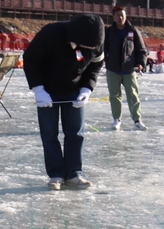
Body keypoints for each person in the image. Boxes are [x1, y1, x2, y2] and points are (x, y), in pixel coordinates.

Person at [23, 14, 105, 190]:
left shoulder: (96, 42)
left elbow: (95, 66)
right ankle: (56, 174)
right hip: (47, 90)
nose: (92, 49)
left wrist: (87, 89)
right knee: (49, 133)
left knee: (76, 132)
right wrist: (38, 89)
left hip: (74, 90)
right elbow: (30, 60)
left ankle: (74, 173)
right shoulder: (50, 34)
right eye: (89, 46)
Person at [104, 5, 148, 132]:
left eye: (122, 15)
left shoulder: (133, 31)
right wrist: (108, 57)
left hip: (129, 69)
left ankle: (137, 120)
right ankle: (116, 119)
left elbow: (141, 49)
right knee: (114, 95)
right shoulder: (108, 32)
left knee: (133, 95)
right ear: (113, 17)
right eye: (117, 15)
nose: (120, 17)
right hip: (113, 69)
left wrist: (141, 63)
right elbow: (103, 47)